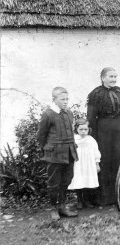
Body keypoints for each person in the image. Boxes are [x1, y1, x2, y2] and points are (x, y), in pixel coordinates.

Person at [87, 67, 120, 205]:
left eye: (115, 76)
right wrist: (92, 137)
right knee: (106, 160)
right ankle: (105, 198)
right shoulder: (95, 94)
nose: (114, 79)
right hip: (103, 130)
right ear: (103, 78)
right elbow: (90, 117)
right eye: (111, 76)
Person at [37, 87, 78, 220]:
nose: (66, 102)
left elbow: (70, 131)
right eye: (62, 99)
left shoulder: (69, 113)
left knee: (67, 180)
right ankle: (53, 208)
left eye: (67, 99)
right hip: (54, 154)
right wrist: (48, 149)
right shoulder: (48, 114)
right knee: (54, 182)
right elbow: (41, 136)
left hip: (69, 152)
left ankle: (62, 206)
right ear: (54, 99)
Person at [68, 118, 101, 209]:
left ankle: (86, 200)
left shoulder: (91, 140)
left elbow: (96, 152)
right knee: (78, 180)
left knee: (87, 181)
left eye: (85, 129)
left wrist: (97, 163)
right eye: (81, 129)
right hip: (78, 164)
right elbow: (70, 151)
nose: (83, 132)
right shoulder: (74, 139)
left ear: (88, 130)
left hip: (88, 164)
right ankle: (79, 200)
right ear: (76, 129)